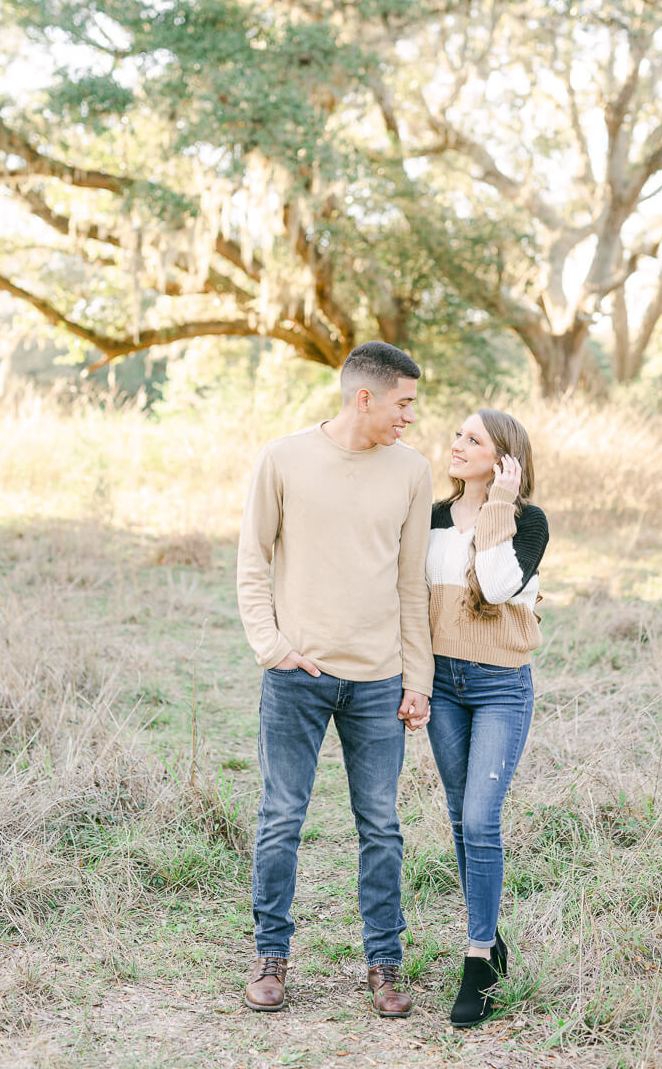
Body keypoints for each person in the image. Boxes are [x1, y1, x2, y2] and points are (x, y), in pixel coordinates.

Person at [237, 341, 434, 1018]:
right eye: (404, 403)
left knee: (380, 825)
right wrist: (272, 647)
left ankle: (384, 965)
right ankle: (271, 959)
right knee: (281, 818)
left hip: (380, 680)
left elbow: (413, 582)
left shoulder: (412, 470)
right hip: (297, 676)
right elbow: (252, 559)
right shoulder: (283, 458)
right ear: (365, 398)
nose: (411, 416)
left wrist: (419, 678)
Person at [425, 408, 548, 1026]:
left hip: (501, 686)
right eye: (457, 434)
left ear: (504, 457)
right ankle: (490, 939)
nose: (456, 444)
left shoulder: (529, 523)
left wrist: (499, 503)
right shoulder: (432, 518)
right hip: (442, 685)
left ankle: (477, 957)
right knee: (459, 816)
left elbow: (497, 587)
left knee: (480, 816)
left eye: (473, 439)